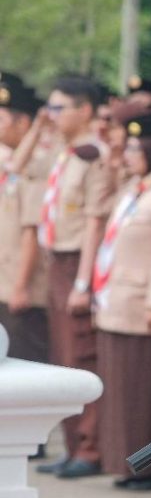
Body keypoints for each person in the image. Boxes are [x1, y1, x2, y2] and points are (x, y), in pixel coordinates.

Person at [92, 114, 151, 490]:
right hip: (117, 302)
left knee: (146, 392)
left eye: (135, 148)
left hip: (143, 306)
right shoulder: (136, 188)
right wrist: (113, 162)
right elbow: (100, 213)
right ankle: (128, 462)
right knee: (122, 391)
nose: (128, 155)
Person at [37, 75, 115, 479]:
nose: (50, 115)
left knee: (81, 356)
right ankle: (71, 444)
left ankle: (90, 446)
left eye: (58, 107)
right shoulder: (68, 153)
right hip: (58, 262)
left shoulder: (94, 155)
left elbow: (93, 222)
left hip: (77, 264)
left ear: (84, 110)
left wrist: (83, 282)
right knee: (63, 359)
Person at [0, 78, 49, 363]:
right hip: (5, 283)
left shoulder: (35, 164)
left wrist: (21, 286)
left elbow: (31, 230)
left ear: (22, 124)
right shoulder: (11, 163)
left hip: (22, 287)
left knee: (24, 361)